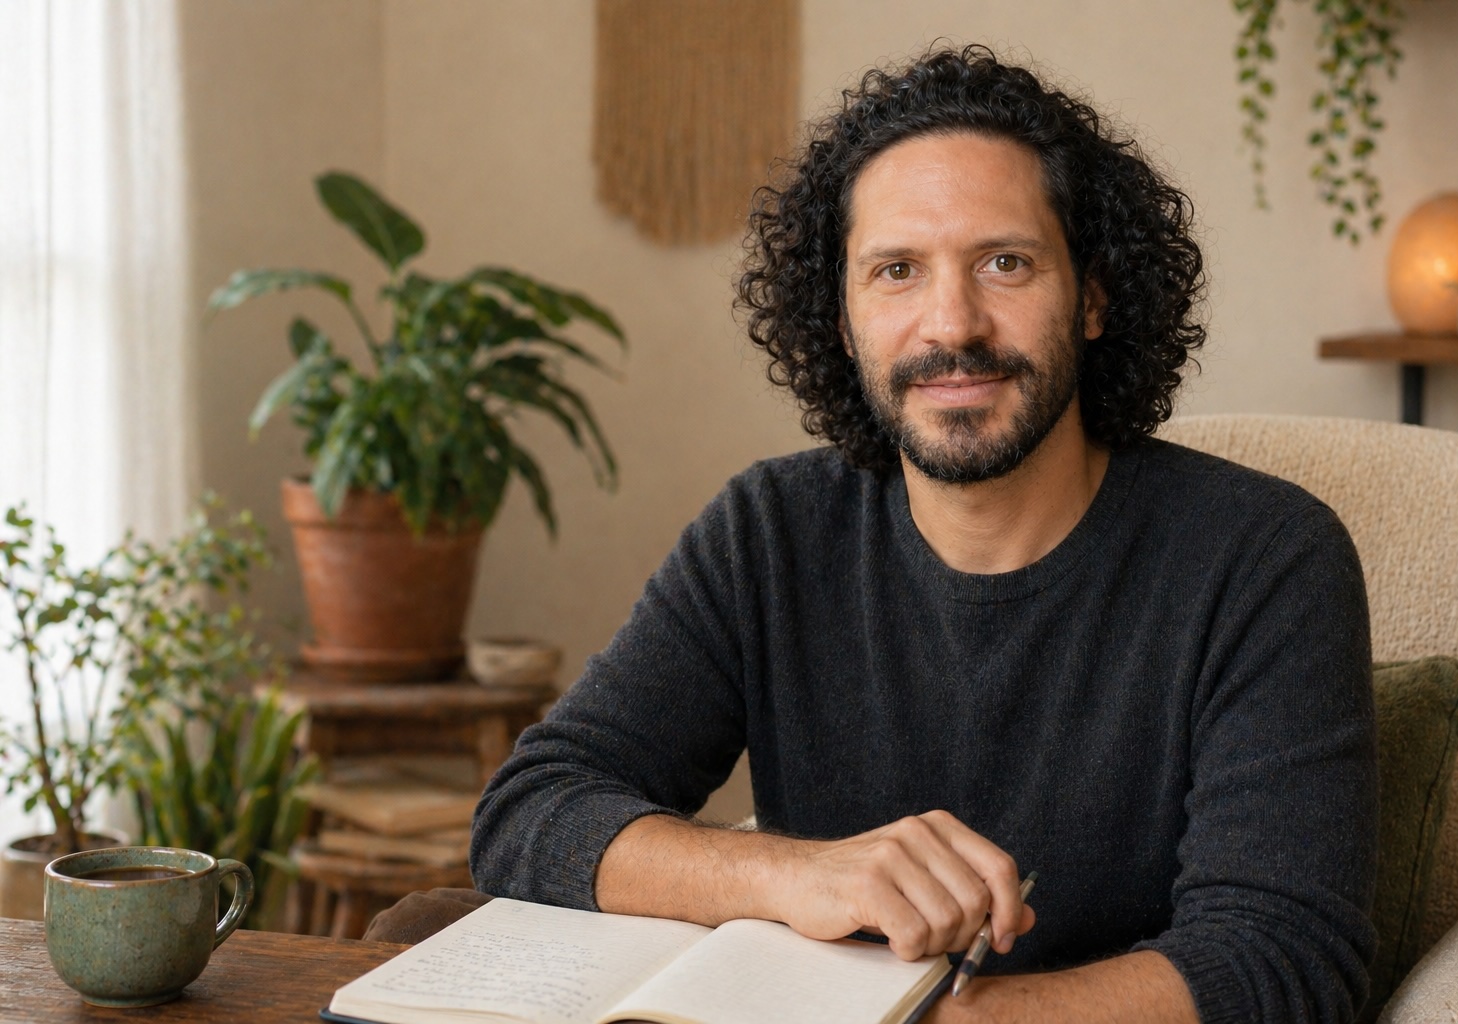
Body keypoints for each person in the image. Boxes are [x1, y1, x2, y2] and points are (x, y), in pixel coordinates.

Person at [470, 45, 1377, 1024]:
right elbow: (533, 809)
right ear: (845, 321)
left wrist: (941, 1020)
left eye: (1005, 262)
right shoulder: (769, 531)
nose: (953, 324)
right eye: (896, 270)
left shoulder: (1264, 556)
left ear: (1096, 296)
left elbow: (1283, 959)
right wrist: (794, 875)